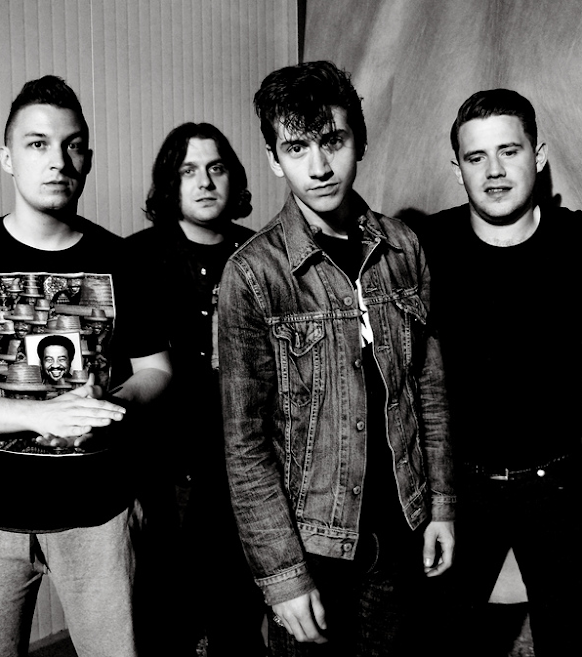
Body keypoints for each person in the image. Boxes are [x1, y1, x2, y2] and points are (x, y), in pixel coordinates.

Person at [0, 75, 172, 657]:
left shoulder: (123, 260)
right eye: (38, 144)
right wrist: (40, 414)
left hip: (101, 518)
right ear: (8, 158)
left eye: (73, 146)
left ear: (88, 159)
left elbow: (158, 370)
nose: (58, 161)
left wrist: (111, 405)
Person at [217, 60, 455, 655]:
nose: (319, 167)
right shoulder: (253, 274)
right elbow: (244, 444)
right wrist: (282, 575)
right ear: (274, 159)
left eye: (333, 141)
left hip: (401, 529)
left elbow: (428, 388)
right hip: (312, 545)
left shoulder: (404, 248)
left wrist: (442, 507)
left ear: (361, 142)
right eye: (296, 148)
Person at [408, 88, 582, 656]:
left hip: (557, 484)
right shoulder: (427, 247)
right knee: (441, 644)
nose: (494, 171)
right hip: (459, 489)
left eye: (508, 151)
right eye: (476, 157)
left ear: (538, 155)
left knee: (567, 644)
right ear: (457, 169)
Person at [120, 122, 265, 656]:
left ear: (233, 178)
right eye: (188, 171)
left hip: (246, 468)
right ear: (170, 182)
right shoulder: (135, 258)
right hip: (164, 473)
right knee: (164, 622)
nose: (204, 182)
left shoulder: (261, 254)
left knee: (239, 621)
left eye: (216, 168)